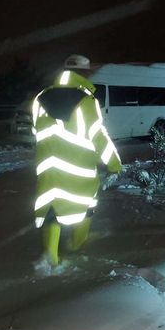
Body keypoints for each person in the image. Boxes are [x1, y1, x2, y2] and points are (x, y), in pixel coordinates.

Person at [32, 55, 122, 267]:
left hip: (48, 165)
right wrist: (114, 163)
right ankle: (77, 243)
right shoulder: (86, 100)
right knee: (86, 205)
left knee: (51, 208)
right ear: (87, 73)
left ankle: (50, 257)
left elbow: (36, 130)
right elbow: (98, 135)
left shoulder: (40, 98)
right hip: (78, 166)